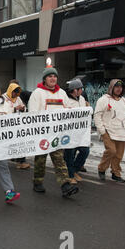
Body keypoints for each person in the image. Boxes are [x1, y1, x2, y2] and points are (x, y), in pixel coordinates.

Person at [28, 62, 78, 198]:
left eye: (54, 76)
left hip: (56, 134)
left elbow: (67, 111)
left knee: (59, 160)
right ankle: (37, 182)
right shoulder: (37, 93)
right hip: (42, 135)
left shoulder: (62, 93)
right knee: (40, 160)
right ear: (44, 79)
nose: (52, 79)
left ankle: (65, 186)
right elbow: (32, 114)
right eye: (49, 76)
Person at [94, 79, 125, 183]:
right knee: (111, 151)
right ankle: (101, 168)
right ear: (111, 87)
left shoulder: (123, 100)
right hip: (108, 131)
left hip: (121, 132)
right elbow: (97, 116)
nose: (119, 89)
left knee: (118, 155)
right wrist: (102, 131)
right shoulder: (104, 100)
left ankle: (116, 173)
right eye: (116, 87)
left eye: (121, 87)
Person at [64, 78, 90, 185]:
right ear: (74, 90)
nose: (81, 91)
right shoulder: (66, 100)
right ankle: (70, 175)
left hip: (80, 132)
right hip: (69, 132)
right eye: (80, 89)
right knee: (70, 154)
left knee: (85, 151)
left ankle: (74, 170)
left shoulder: (82, 99)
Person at [3, 81, 30, 170]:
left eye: (17, 92)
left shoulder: (18, 99)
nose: (15, 94)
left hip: (17, 124)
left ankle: (21, 161)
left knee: (21, 142)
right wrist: (14, 108)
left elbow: (23, 107)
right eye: (14, 91)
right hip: (7, 125)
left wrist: (22, 108)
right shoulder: (3, 98)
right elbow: (3, 110)